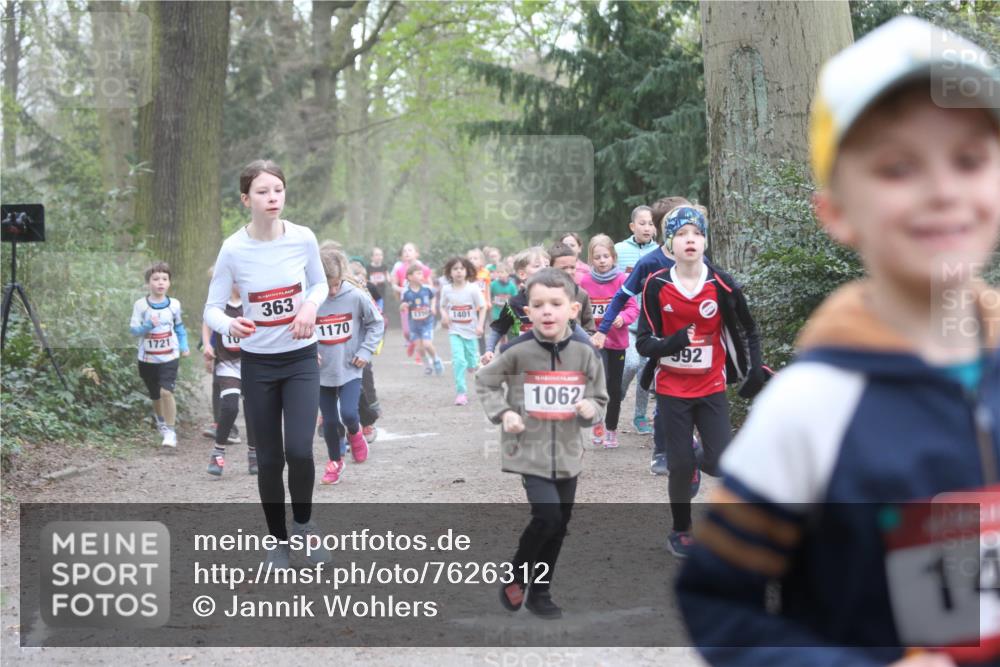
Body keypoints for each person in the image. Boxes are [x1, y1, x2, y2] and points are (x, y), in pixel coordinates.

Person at [676, 17, 1000, 667]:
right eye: (897, 166)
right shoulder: (809, 409)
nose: (942, 189)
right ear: (837, 211)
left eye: (968, 159)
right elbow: (717, 604)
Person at [204, 159, 331, 569]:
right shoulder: (233, 249)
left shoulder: (303, 237)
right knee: (270, 459)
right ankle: (277, 541)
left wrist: (310, 307)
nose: (272, 197)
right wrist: (230, 324)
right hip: (257, 364)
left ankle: (306, 530)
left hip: (300, 360)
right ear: (246, 199)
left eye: (278, 189)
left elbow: (320, 282)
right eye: (262, 191)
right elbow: (211, 309)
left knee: (299, 449)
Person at [476, 268, 608, 619]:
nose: (547, 311)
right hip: (529, 450)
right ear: (528, 311)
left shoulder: (584, 352)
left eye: (555, 304)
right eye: (538, 305)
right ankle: (517, 575)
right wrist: (504, 413)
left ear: (573, 309)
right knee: (547, 514)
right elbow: (486, 382)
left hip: (567, 453)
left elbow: (600, 398)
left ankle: (540, 592)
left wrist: (589, 408)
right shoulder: (517, 350)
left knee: (560, 524)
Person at [636, 205, 764, 558]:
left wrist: (756, 367)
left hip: (710, 385)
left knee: (721, 462)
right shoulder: (656, 285)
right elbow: (643, 342)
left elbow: (749, 328)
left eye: (696, 234)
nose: (689, 240)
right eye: (681, 235)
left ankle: (694, 457)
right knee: (678, 467)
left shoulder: (721, 283)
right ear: (670, 244)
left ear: (705, 241)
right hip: (672, 388)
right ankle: (681, 530)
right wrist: (673, 343)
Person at [592, 196, 695, 474]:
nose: (691, 237)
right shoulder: (645, 259)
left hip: (687, 337)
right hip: (641, 330)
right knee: (644, 375)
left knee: (680, 388)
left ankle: (675, 435)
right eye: (683, 228)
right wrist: (602, 329)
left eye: (695, 230)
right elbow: (619, 293)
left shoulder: (696, 256)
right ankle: (660, 448)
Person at [316, 243, 384, 485]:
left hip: (351, 367)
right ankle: (335, 461)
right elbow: (298, 328)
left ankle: (356, 434)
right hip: (321, 372)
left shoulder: (355, 296)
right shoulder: (310, 299)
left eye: (336, 284)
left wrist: (365, 350)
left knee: (348, 413)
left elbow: (376, 323)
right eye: (327, 286)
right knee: (330, 421)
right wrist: (309, 351)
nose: (332, 291)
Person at [578, 234, 639, 449]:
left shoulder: (623, 280)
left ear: (613, 257)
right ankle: (597, 423)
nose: (602, 260)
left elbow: (633, 307)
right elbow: (579, 310)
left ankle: (611, 429)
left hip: (618, 343)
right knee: (599, 385)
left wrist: (623, 318)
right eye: (597, 257)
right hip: (595, 343)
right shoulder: (584, 281)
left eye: (606, 256)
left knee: (614, 388)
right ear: (591, 259)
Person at [201, 268, 256, 476]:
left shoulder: (251, 302)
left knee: (252, 410)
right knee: (230, 407)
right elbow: (207, 321)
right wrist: (207, 345)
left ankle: (253, 453)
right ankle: (218, 452)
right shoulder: (219, 303)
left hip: (251, 363)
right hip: (227, 363)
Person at [130, 261, 189, 448]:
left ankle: (170, 431)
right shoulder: (140, 305)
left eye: (164, 279)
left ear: (169, 282)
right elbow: (134, 331)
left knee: (166, 392)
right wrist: (148, 326)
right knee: (155, 395)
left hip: (169, 356)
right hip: (147, 358)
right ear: (148, 282)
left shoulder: (175, 305)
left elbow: (179, 327)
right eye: (155, 279)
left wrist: (184, 346)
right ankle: (161, 423)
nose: (160, 282)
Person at [611, 205, 659, 437]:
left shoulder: (660, 252)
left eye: (651, 223)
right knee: (630, 364)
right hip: (624, 323)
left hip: (649, 324)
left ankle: (640, 415)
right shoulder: (619, 250)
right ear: (632, 226)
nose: (647, 227)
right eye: (642, 223)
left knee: (644, 369)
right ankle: (618, 392)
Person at [482, 246, 549, 364]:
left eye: (547, 265)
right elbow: (498, 329)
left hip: (548, 362)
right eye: (537, 266)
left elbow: (572, 326)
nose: (544, 269)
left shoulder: (557, 300)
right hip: (521, 363)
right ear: (522, 274)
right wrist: (489, 350)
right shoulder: (514, 303)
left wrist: (589, 340)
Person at [439, 256, 487, 405]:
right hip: (455, 331)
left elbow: (483, 306)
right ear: (450, 272)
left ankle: (473, 366)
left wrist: (480, 325)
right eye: (455, 269)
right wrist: (445, 316)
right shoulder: (446, 290)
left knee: (472, 363)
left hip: (471, 331)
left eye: (461, 268)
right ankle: (461, 393)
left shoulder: (473, 288)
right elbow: (442, 306)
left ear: (467, 271)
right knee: (459, 361)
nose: (459, 272)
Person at [400, 262, 444, 376]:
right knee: (419, 348)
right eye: (418, 273)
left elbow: (434, 297)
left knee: (427, 344)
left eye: (422, 273)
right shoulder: (406, 292)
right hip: (414, 325)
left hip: (427, 322)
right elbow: (402, 305)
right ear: (410, 277)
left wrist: (433, 306)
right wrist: (403, 306)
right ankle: (427, 365)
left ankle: (436, 360)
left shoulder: (427, 289)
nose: (421, 276)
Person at [468, 248, 493, 355]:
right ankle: (472, 353)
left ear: (482, 261)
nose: (472, 260)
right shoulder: (467, 274)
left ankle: (483, 355)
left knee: (480, 331)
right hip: (470, 307)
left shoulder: (485, 273)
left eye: (475, 258)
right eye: (470, 258)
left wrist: (488, 300)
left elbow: (487, 287)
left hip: (482, 307)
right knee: (469, 331)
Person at [490, 262, 520, 344]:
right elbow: (489, 295)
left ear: (508, 273)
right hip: (497, 313)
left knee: (509, 334)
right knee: (501, 335)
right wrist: (491, 300)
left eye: (502, 272)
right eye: (498, 272)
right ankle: (502, 350)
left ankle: (508, 349)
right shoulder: (493, 284)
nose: (500, 274)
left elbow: (515, 298)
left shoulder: (512, 286)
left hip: (508, 313)